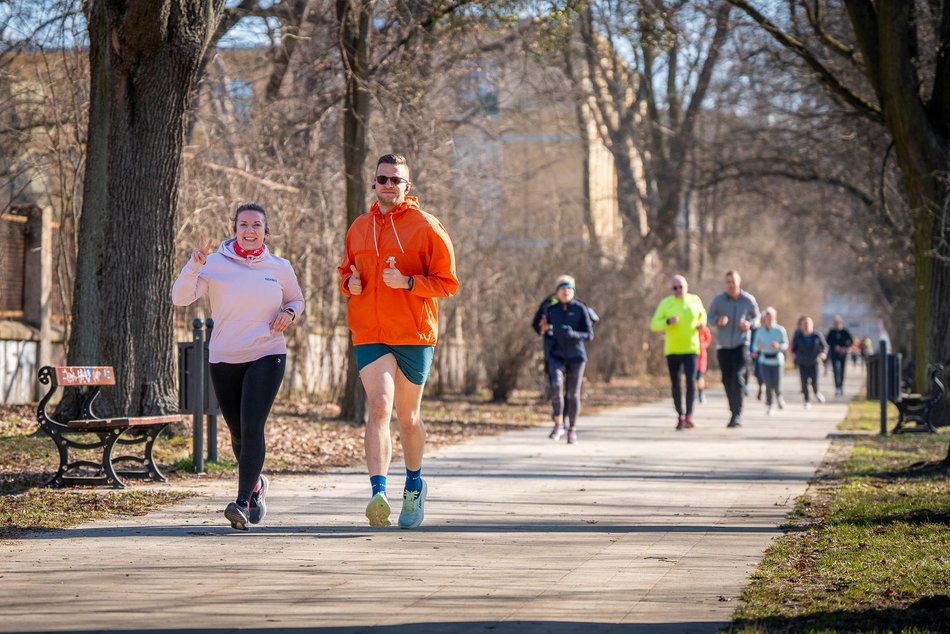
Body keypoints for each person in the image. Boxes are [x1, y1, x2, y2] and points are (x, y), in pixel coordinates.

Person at [338, 153, 459, 529]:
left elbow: (448, 282)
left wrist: (408, 283)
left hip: (413, 333)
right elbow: (346, 271)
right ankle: (378, 492)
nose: (389, 184)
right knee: (378, 406)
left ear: (408, 186)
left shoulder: (427, 226)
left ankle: (414, 484)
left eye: (396, 180)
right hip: (370, 333)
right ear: (373, 183)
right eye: (383, 178)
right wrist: (349, 284)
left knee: (407, 418)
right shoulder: (359, 227)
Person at [172, 203, 304, 531]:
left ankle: (243, 501)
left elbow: (296, 299)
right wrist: (193, 266)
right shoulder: (214, 264)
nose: (249, 230)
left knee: (252, 426)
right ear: (234, 229)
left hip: (267, 353)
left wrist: (288, 314)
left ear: (266, 232)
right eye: (243, 224)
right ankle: (257, 485)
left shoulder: (280, 266)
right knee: (237, 434)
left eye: (256, 225)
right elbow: (180, 298)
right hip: (224, 357)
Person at [537, 275, 593, 443]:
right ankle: (558, 423)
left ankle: (572, 429)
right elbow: (543, 330)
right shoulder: (551, 309)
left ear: (574, 291)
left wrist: (573, 334)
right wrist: (548, 333)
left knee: (573, 394)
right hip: (557, 355)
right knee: (555, 386)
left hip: (577, 356)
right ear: (557, 291)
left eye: (569, 288)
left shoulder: (580, 308)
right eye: (563, 288)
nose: (566, 291)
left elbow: (589, 335)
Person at [650, 275, 708, 430]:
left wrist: (701, 323)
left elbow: (703, 315)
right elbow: (654, 324)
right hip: (673, 350)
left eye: (680, 287)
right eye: (675, 288)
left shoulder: (695, 300)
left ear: (686, 287)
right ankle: (680, 415)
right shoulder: (666, 303)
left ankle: (689, 415)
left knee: (690, 382)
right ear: (671, 289)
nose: (678, 290)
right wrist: (667, 322)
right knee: (676, 384)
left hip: (691, 348)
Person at [708, 270, 761, 428]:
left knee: (737, 377)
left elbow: (757, 317)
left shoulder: (748, 300)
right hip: (723, 346)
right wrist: (718, 320)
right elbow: (708, 317)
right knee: (726, 379)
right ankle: (733, 409)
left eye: (733, 282)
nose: (731, 285)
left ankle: (736, 414)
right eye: (728, 282)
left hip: (741, 344)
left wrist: (749, 324)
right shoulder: (719, 300)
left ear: (739, 283)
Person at [751, 307, 789, 415]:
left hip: (777, 360)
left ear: (774, 318)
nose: (769, 321)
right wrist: (758, 347)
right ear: (764, 319)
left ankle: (779, 396)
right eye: (767, 318)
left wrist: (779, 345)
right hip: (764, 360)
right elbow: (754, 346)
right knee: (767, 384)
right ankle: (770, 404)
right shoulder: (759, 331)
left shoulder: (780, 330)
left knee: (776, 384)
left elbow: (786, 344)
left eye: (771, 318)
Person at [790, 315, 828, 409]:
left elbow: (825, 347)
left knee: (814, 382)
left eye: (808, 324)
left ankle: (816, 392)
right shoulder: (798, 336)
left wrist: (823, 353)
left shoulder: (817, 335)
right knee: (804, 382)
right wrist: (793, 355)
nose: (806, 326)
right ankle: (807, 400)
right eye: (804, 324)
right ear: (801, 326)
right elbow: (793, 348)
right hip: (802, 362)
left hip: (814, 362)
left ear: (812, 325)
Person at [826, 315, 854, 396]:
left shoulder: (845, 332)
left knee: (842, 371)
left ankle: (841, 386)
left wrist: (844, 347)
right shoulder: (832, 332)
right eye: (835, 323)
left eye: (838, 323)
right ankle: (837, 387)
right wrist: (835, 346)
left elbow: (851, 341)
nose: (836, 324)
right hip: (834, 354)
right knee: (836, 370)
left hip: (843, 354)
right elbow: (828, 341)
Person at [696, 323, 712, 404]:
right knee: (692, 377)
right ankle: (692, 395)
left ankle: (701, 394)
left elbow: (708, 341)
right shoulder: (689, 327)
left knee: (699, 376)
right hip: (691, 355)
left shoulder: (704, 329)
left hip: (701, 356)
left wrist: (702, 345)